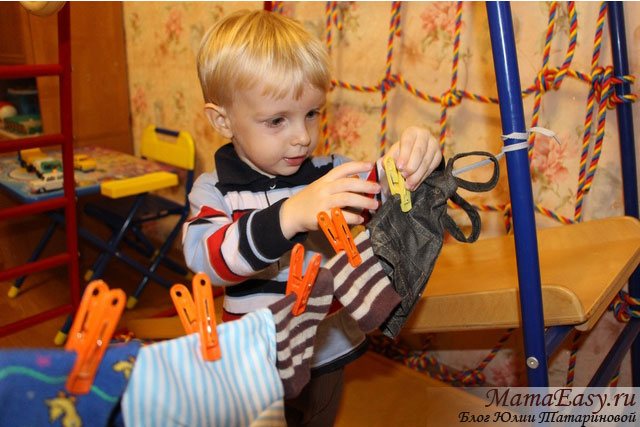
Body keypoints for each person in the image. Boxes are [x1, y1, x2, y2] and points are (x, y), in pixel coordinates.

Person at [184, 9, 442, 426]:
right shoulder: (213, 191)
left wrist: (417, 156)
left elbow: (387, 184)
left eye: (311, 113)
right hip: (255, 356)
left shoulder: (330, 172)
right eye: (277, 120)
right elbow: (207, 259)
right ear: (222, 120)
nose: (302, 136)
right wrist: (289, 215)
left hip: (326, 347)